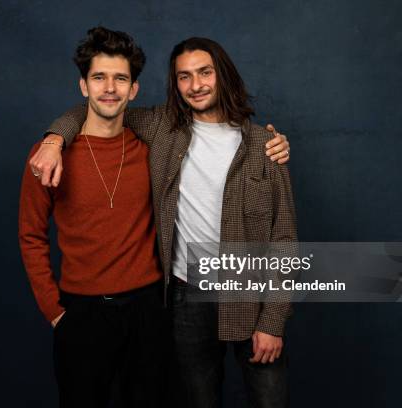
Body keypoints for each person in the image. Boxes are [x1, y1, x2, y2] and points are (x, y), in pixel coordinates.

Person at [33, 35, 296, 408]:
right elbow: (100, 107)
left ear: (223, 75)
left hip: (250, 292)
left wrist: (273, 319)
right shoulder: (162, 128)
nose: (196, 85)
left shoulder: (264, 146)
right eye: (184, 77)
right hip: (186, 297)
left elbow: (284, 239)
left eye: (204, 73)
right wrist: (54, 138)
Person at [18, 27, 168, 408]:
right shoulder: (48, 155)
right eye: (99, 78)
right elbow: (31, 235)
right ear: (83, 85)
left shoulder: (150, 146)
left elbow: (213, 124)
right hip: (81, 314)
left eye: (121, 79)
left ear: (134, 90)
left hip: (147, 310)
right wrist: (54, 311)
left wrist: (267, 140)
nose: (110, 88)